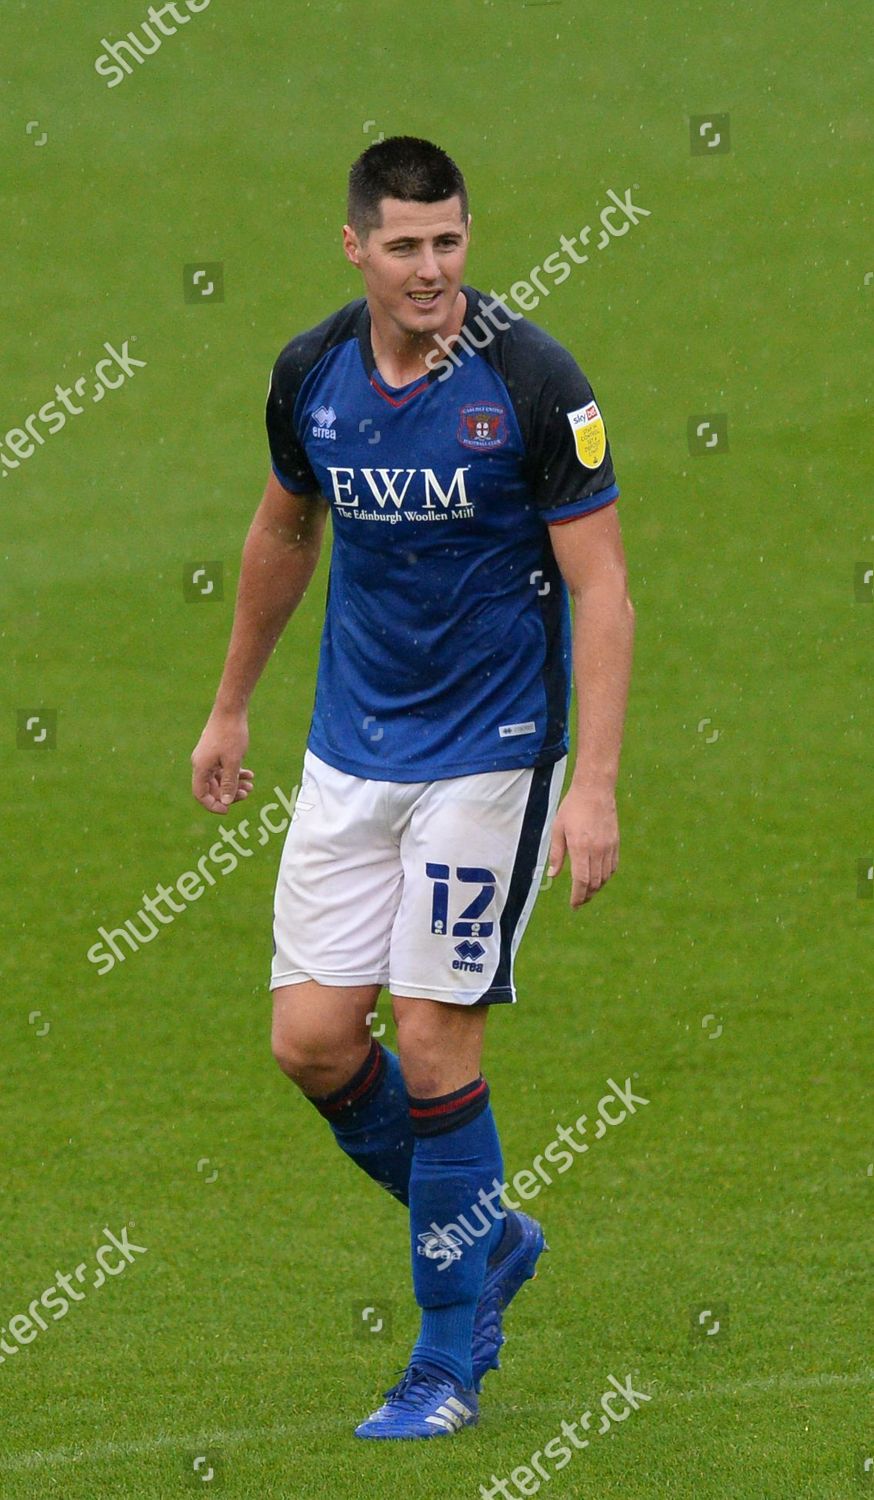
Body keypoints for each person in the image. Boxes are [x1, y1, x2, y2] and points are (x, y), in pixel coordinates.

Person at [191, 135, 634, 1440]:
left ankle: (443, 1364)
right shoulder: (310, 376)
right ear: (355, 247)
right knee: (312, 1041)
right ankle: (485, 1235)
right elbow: (284, 526)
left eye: (448, 241)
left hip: (489, 754)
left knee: (436, 1042)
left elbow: (601, 587)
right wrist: (229, 706)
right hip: (348, 750)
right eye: (404, 245)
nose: (432, 268)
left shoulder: (533, 382)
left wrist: (590, 787)